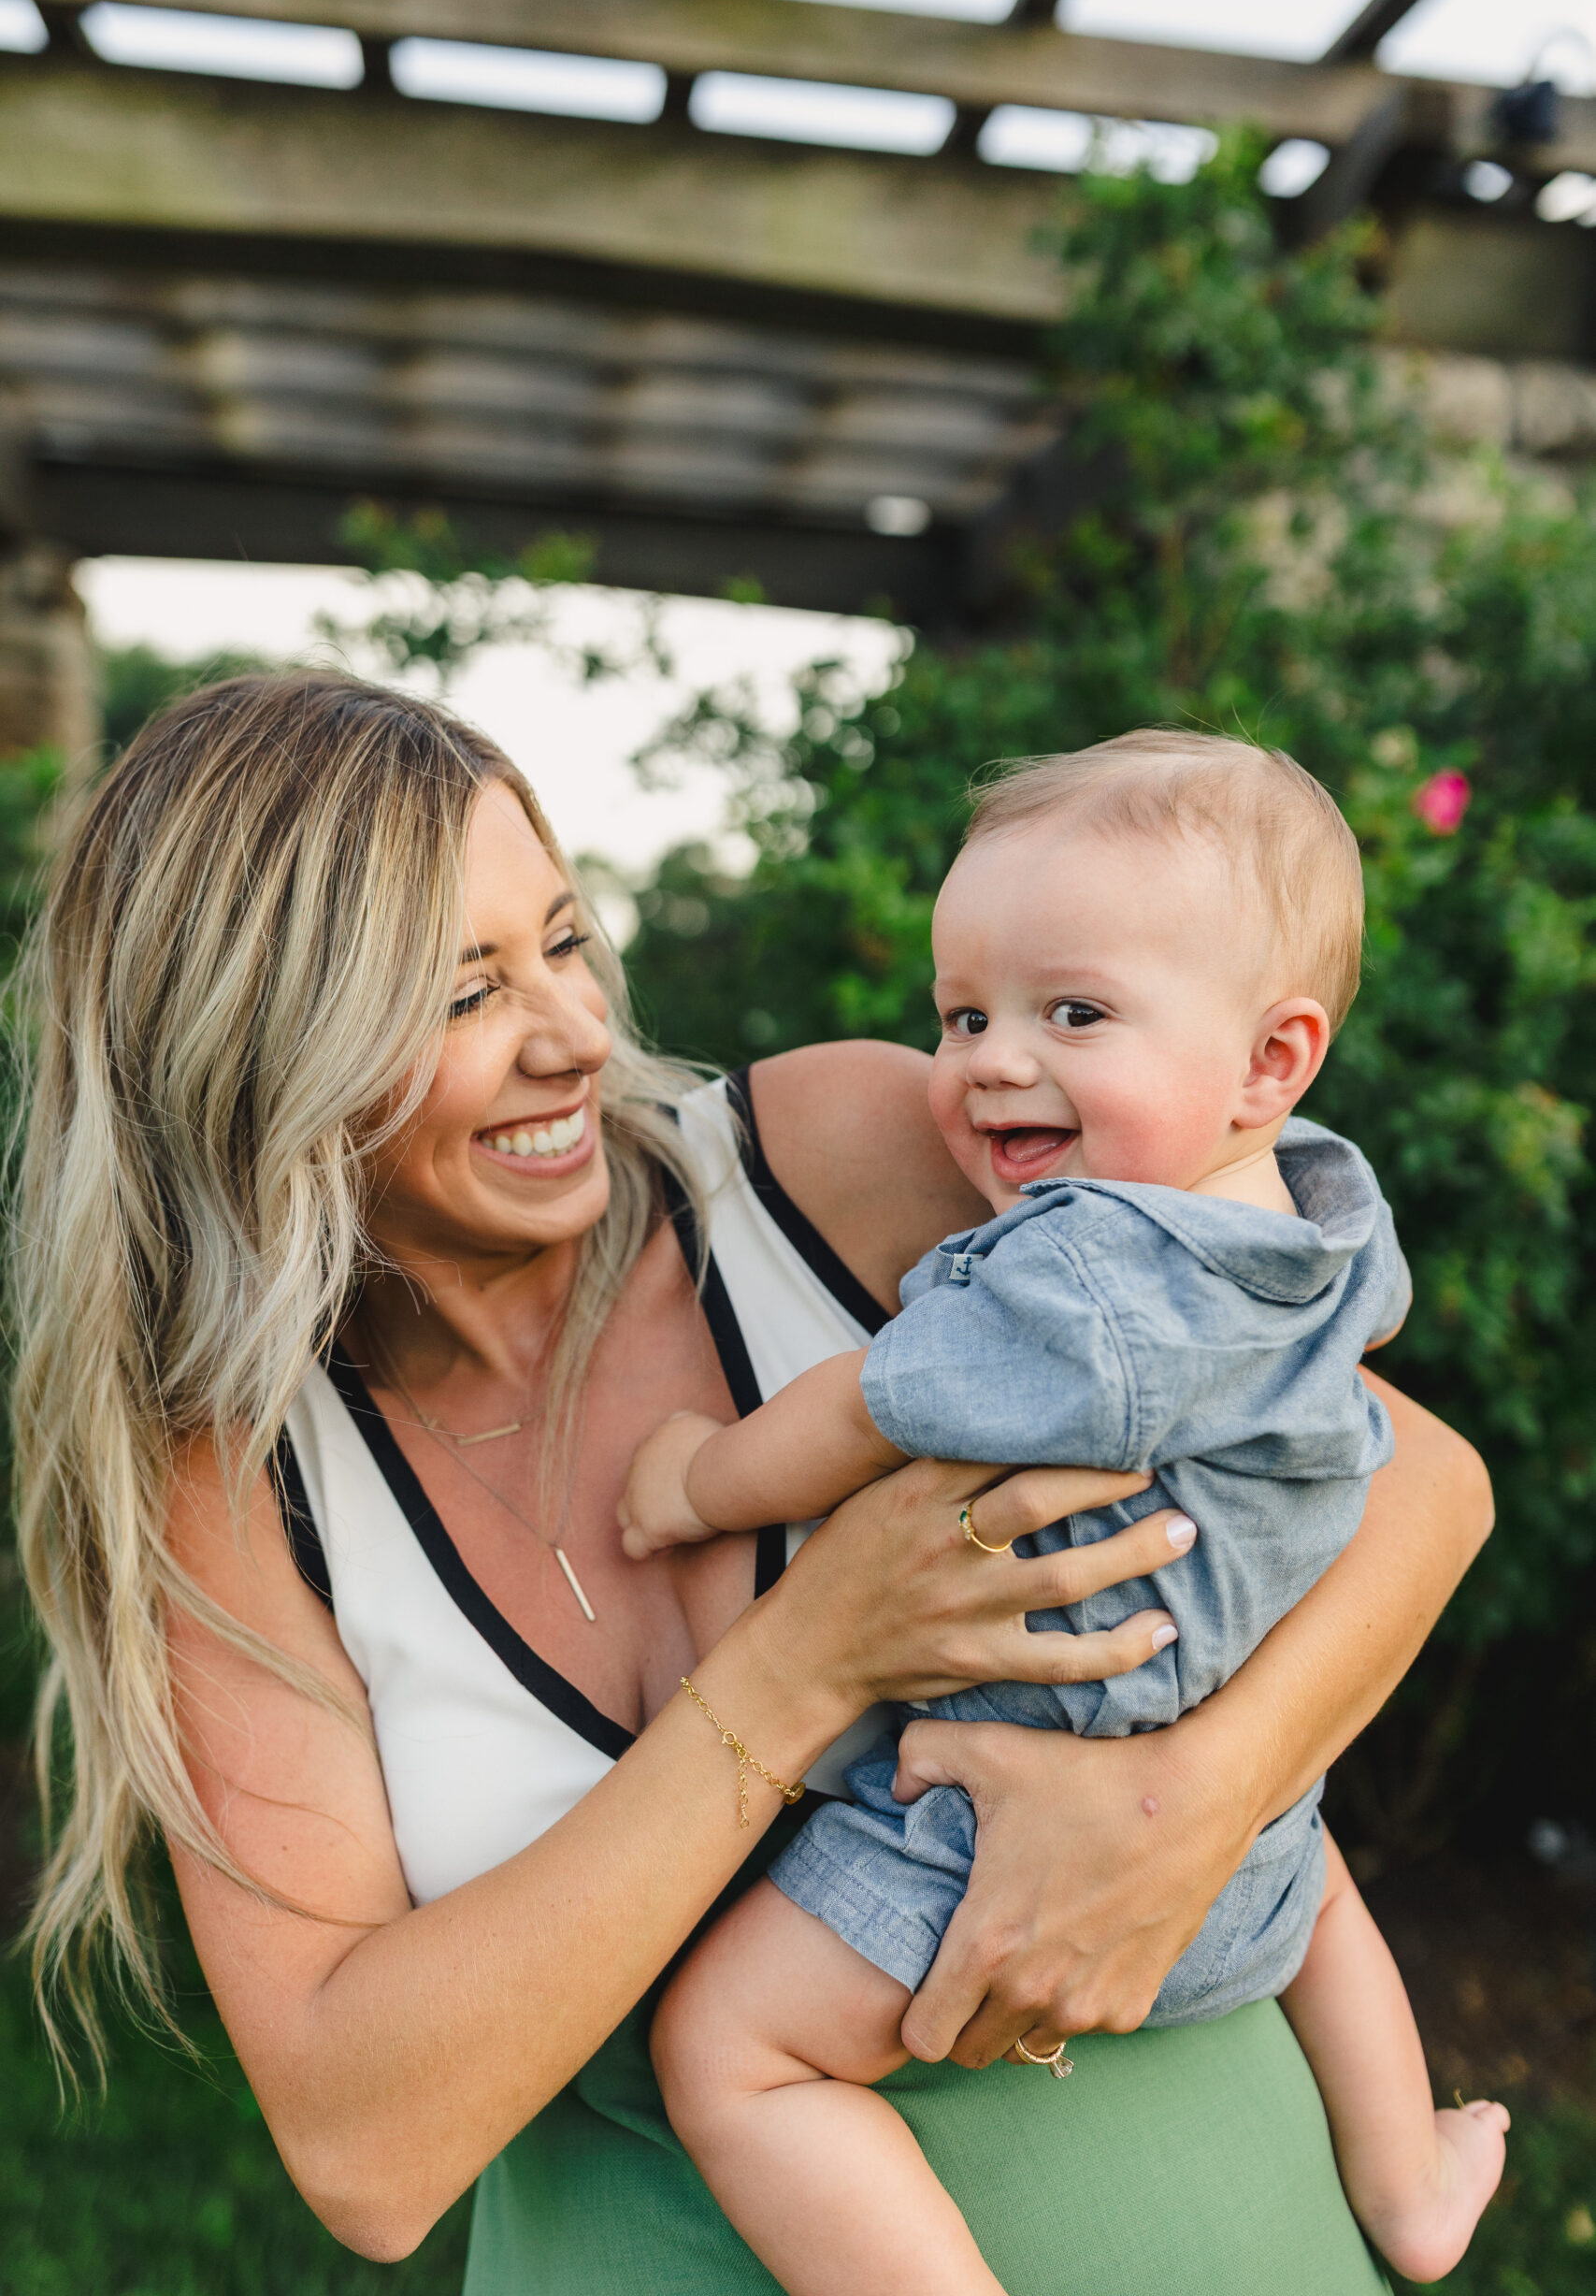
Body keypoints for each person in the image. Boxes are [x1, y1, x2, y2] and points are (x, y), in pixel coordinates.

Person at [15, 675, 1493, 2296]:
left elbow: (1416, 1474)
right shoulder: (239, 1484)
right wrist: (807, 1661)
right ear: (252, 1061)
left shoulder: (834, 1155)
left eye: (567, 945)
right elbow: (367, 2156)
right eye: (460, 997)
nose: (578, 1037)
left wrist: (1197, 1794)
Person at [623, 732, 1508, 2293]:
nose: (986, 1062)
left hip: (1000, 1826)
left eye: (1072, 1013)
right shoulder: (1322, 1227)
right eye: (964, 1013)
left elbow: (863, 1408)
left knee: (730, 2053)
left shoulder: (1076, 1276)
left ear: (1268, 1061)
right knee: (1316, 1856)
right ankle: (1413, 2174)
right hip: (1243, 1854)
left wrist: (696, 1474)